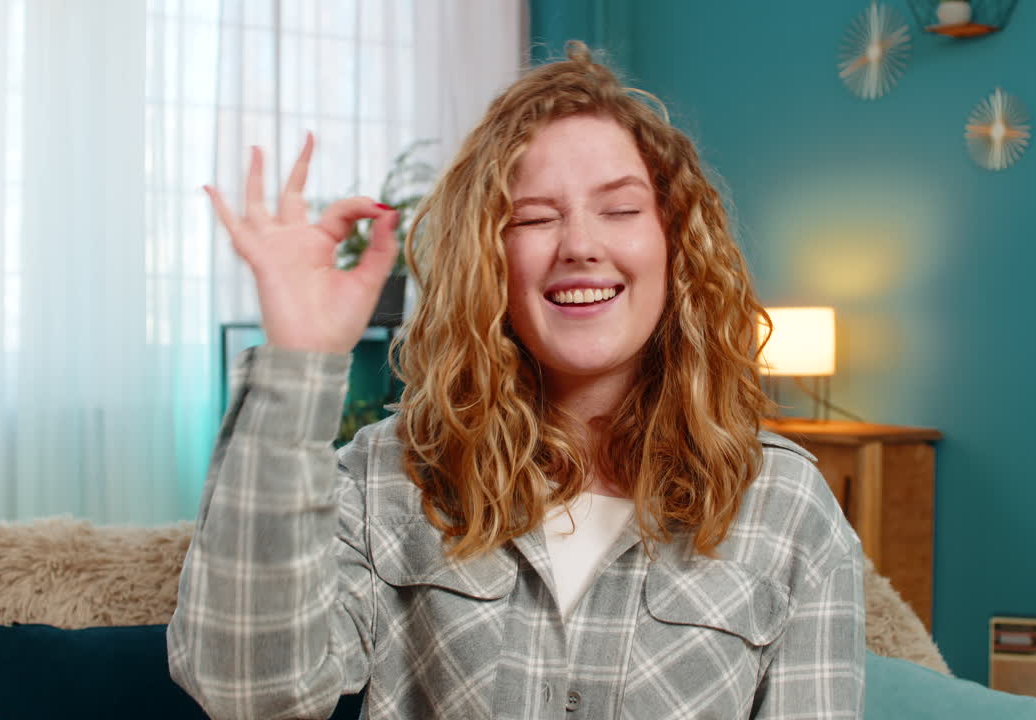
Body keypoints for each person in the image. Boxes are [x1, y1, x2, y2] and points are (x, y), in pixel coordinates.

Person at [167, 41, 864, 719]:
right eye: (534, 218)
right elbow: (252, 695)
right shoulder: (389, 478)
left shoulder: (788, 510)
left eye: (619, 209)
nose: (581, 245)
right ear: (488, 260)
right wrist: (299, 359)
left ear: (675, 244)